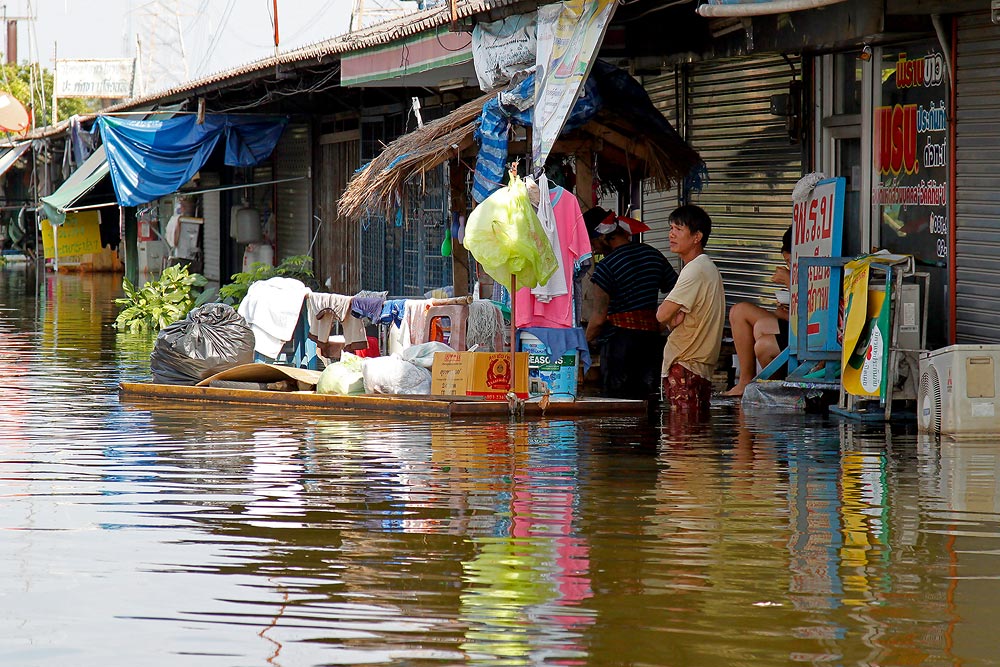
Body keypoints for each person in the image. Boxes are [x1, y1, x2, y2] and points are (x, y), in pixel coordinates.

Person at [585, 207, 678, 401]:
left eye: (593, 242)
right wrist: (661, 322)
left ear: (603, 237)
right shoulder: (652, 255)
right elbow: (677, 290)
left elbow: (599, 319)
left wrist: (582, 343)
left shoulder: (606, 267)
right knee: (650, 403)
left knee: (619, 405)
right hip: (652, 342)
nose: (594, 249)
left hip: (619, 347)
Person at [655, 204, 726, 413]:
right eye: (671, 228)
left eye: (678, 229)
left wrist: (668, 319)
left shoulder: (694, 270)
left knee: (682, 435)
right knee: (694, 434)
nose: (671, 234)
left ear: (697, 237)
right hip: (698, 367)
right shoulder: (707, 268)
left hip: (686, 365)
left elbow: (662, 314)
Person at [724, 226, 792, 397]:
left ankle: (776, 392)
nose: (789, 266)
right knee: (739, 311)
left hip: (804, 329)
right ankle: (745, 381)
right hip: (793, 322)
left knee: (762, 335)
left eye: (791, 262)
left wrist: (790, 281)